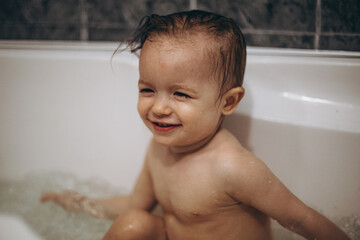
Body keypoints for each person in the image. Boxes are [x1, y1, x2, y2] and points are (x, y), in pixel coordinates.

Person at [41, 10, 350, 240]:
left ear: (228, 102)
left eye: (180, 94)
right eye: (147, 89)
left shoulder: (232, 167)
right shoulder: (159, 149)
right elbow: (135, 204)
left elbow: (300, 220)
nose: (159, 107)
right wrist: (80, 203)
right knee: (133, 224)